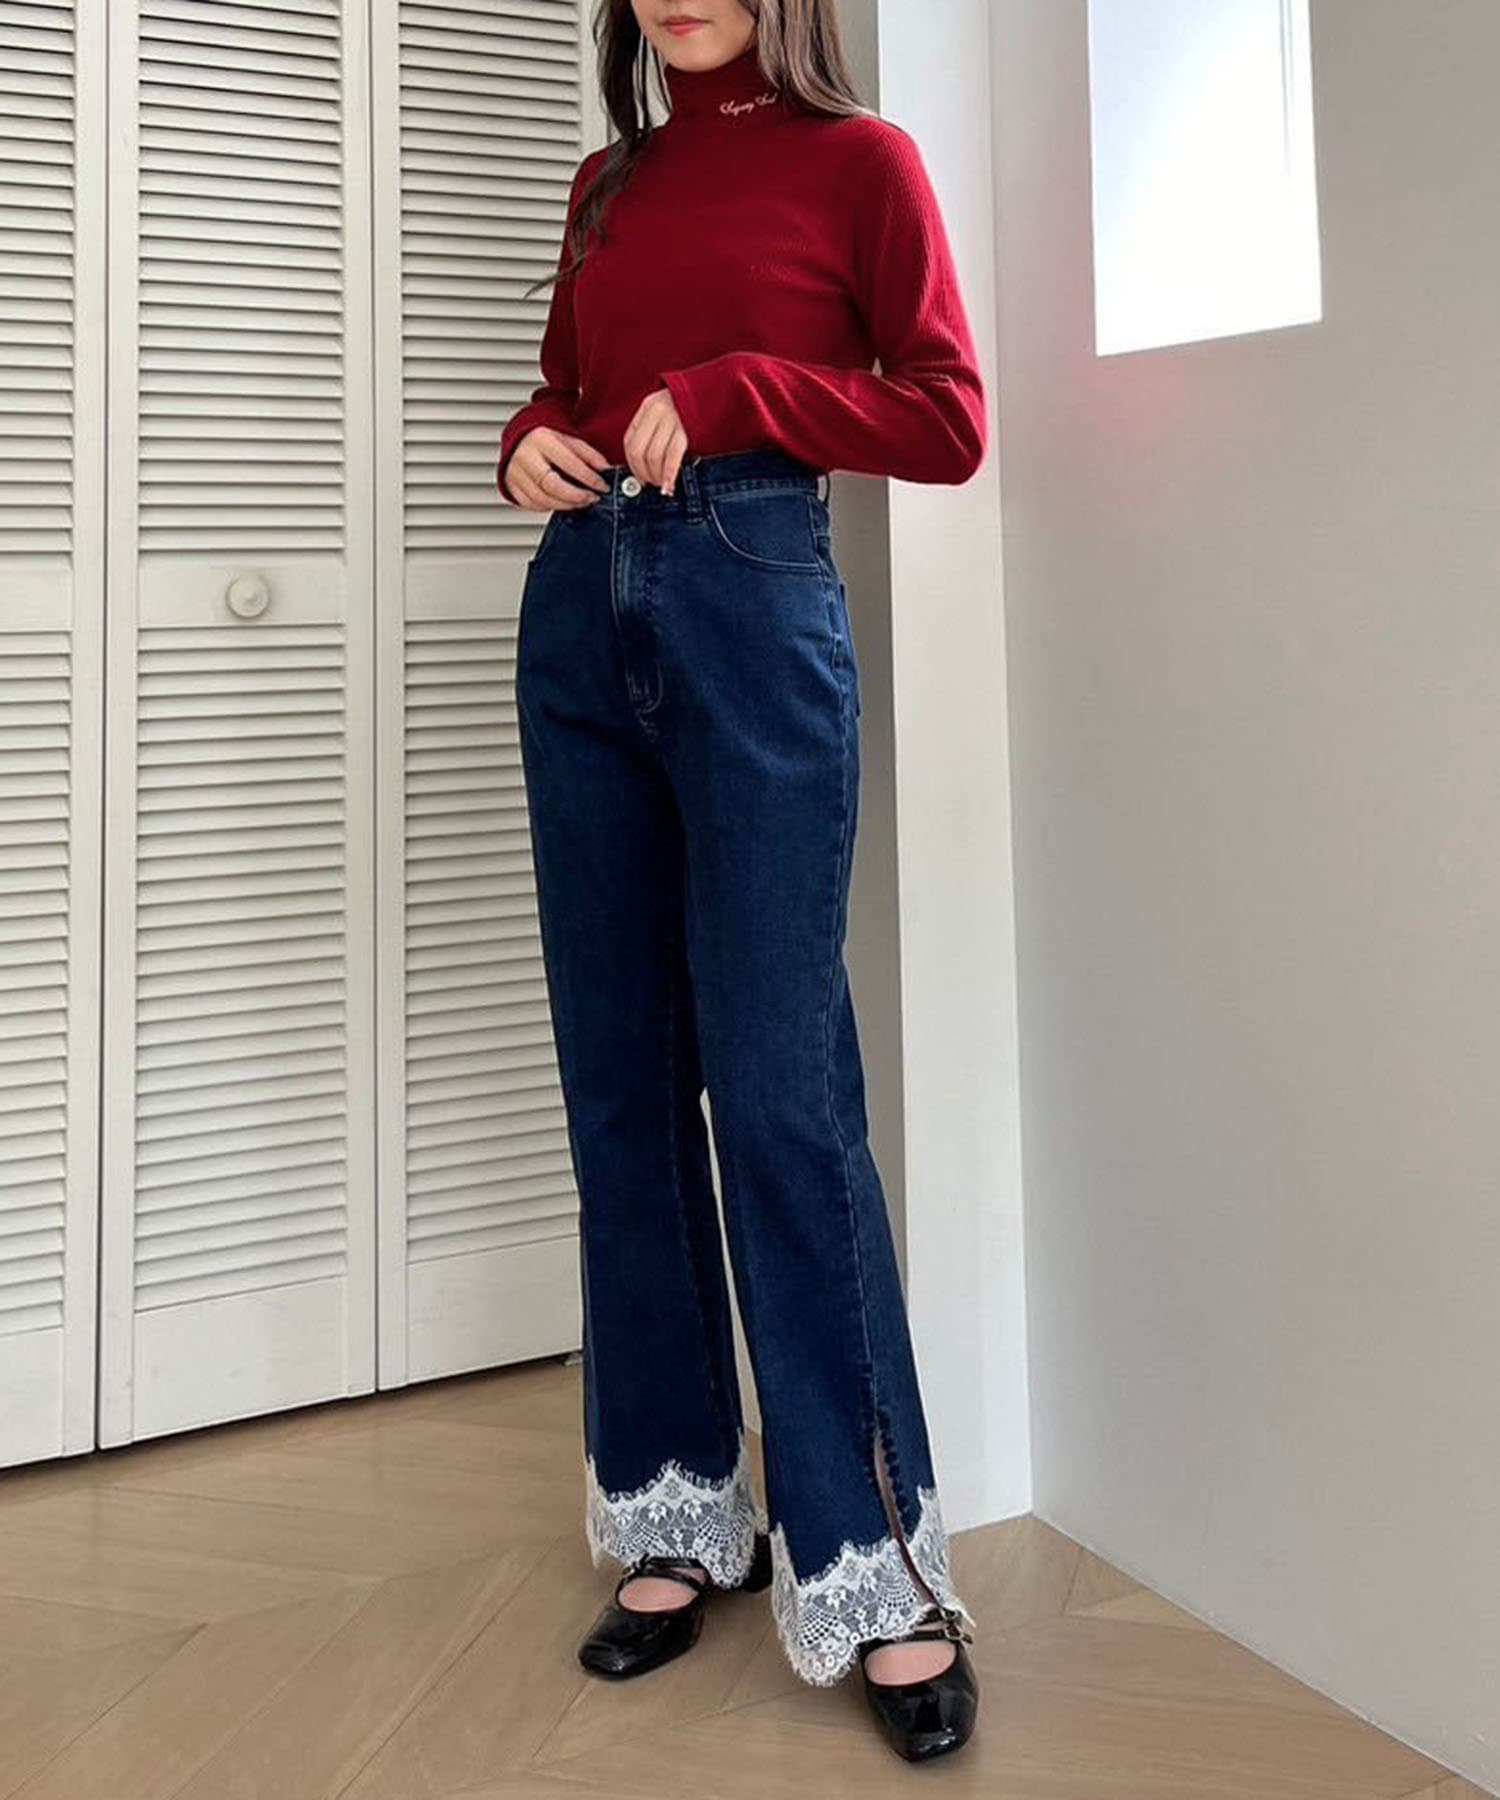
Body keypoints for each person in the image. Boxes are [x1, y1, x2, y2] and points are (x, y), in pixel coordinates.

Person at [496, 0, 987, 1763]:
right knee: (622, 1087)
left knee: (782, 1090)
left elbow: (946, 418)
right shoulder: (609, 184)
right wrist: (529, 439)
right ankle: (676, 1503)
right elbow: (569, 390)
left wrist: (732, 396)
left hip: (752, 588)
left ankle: (872, 1561)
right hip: (581, 610)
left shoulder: (864, 165)